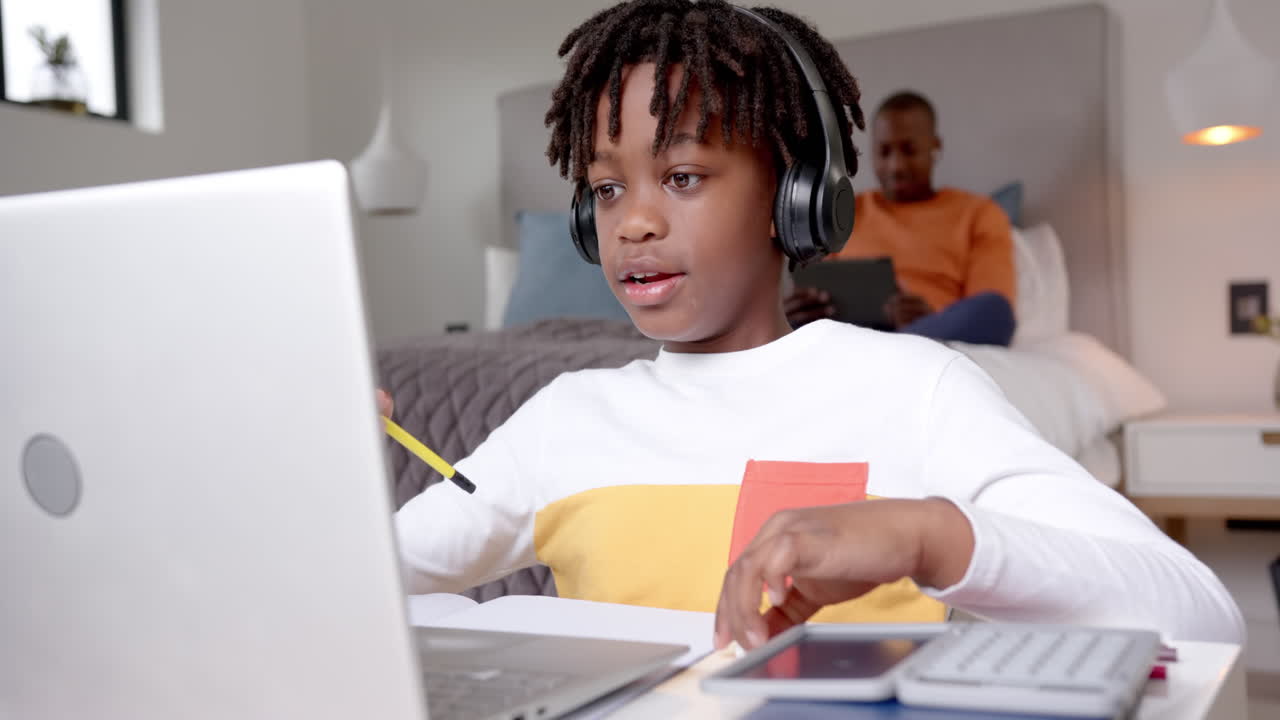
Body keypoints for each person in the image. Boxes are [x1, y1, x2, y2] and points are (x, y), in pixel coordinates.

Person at [389, 0, 1242, 651]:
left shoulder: (914, 389)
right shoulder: (564, 417)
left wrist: (930, 535)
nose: (633, 222)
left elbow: (1201, 613)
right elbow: (363, 585)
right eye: (608, 190)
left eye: (682, 176)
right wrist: (317, 487)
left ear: (794, 198)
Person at [785, 91, 1017, 346]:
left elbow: (991, 306)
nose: (896, 166)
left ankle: (899, 346)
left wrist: (930, 318)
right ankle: (893, 349)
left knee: (995, 310)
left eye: (909, 150)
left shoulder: (978, 213)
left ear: (934, 147)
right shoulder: (844, 212)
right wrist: (799, 308)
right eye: (884, 152)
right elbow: (814, 287)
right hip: (851, 331)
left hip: (931, 327)